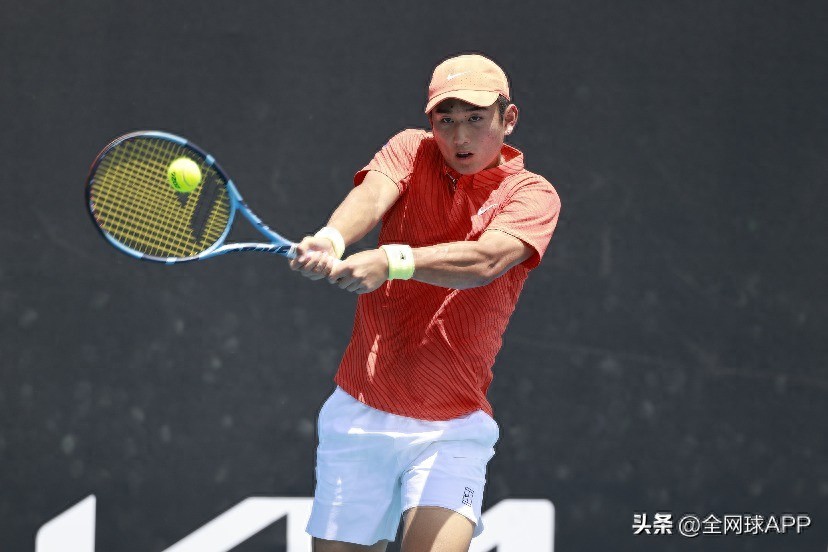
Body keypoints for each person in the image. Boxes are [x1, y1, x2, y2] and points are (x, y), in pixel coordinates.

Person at [290, 53, 561, 552]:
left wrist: (391, 260)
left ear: (508, 118)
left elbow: (486, 260)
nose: (459, 137)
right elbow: (372, 197)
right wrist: (331, 239)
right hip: (360, 411)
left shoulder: (532, 195)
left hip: (452, 429)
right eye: (446, 120)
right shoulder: (410, 150)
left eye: (475, 118)